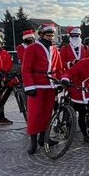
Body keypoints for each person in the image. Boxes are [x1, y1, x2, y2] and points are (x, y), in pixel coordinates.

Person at [22, 23, 63, 154]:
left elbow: (58, 68)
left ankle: (43, 138)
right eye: (48, 35)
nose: (50, 37)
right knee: (35, 114)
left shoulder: (55, 50)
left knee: (47, 114)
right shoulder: (32, 48)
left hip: (50, 85)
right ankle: (33, 142)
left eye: (52, 35)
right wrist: (29, 86)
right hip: (36, 86)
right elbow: (26, 69)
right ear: (40, 35)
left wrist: (58, 83)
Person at [61, 44, 89, 144]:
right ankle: (85, 136)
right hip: (76, 89)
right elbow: (70, 72)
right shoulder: (84, 62)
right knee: (81, 114)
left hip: (88, 92)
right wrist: (65, 79)